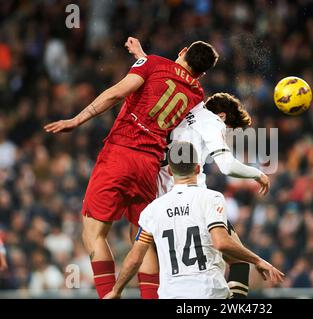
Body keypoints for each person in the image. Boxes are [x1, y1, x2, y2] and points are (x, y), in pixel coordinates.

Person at [44, 37, 219, 299]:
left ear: (182, 51)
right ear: (203, 73)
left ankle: (107, 296)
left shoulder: (154, 64)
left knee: (93, 232)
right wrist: (141, 57)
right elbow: (165, 86)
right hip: (149, 166)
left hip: (120, 153)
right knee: (141, 238)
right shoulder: (196, 94)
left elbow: (117, 93)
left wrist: (77, 119)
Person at [127, 38, 270, 298]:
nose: (226, 136)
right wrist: (258, 174)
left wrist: (140, 55)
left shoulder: (185, 104)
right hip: (195, 200)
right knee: (239, 260)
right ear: (224, 117)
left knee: (165, 269)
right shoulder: (213, 122)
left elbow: (162, 78)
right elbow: (226, 166)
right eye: (230, 132)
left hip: (160, 201)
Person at [104, 142, 284, 299]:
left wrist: (117, 290)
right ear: (198, 168)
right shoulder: (211, 198)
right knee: (241, 263)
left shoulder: (153, 210)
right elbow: (221, 243)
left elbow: (135, 259)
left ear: (169, 170)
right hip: (207, 294)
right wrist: (258, 260)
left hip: (171, 296)